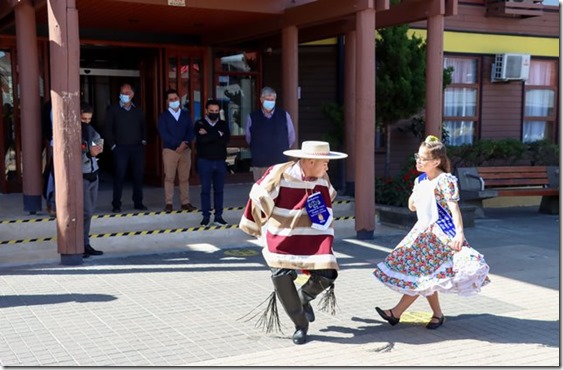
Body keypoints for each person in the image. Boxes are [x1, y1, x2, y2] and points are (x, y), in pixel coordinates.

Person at [373, 135, 491, 330]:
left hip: (441, 233)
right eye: (417, 157)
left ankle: (397, 313)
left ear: (436, 161)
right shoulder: (420, 180)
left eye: (423, 158)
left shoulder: (445, 180)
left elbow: (454, 208)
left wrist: (459, 234)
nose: (418, 161)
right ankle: (433, 314)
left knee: (423, 275)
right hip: (422, 232)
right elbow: (412, 207)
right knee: (426, 275)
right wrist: (416, 192)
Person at [239, 141, 348, 345]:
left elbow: (328, 198)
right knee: (280, 276)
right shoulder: (280, 173)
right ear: (309, 161)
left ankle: (303, 297)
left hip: (314, 235)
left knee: (328, 272)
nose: (327, 166)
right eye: (324, 162)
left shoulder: (322, 177)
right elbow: (259, 196)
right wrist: (255, 223)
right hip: (283, 234)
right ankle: (300, 324)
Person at [104, 83, 148, 213]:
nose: (125, 95)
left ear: (133, 95)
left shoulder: (138, 110)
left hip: (137, 148)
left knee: (138, 176)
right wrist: (113, 146)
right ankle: (116, 204)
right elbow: (107, 130)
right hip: (120, 148)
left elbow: (144, 127)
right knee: (119, 176)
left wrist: (144, 141)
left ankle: (138, 202)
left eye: (128, 93)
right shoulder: (113, 110)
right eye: (123, 93)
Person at [157, 88, 197, 213]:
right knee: (169, 177)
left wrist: (184, 143)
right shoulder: (163, 117)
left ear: (179, 99)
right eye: (171, 99)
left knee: (184, 178)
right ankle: (169, 203)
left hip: (185, 150)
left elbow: (191, 131)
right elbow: (164, 134)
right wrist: (177, 144)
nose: (174, 101)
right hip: (170, 151)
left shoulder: (186, 114)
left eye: (175, 98)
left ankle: (185, 202)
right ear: (167, 102)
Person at [245, 86, 296, 182]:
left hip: (280, 163)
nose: (270, 102)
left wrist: (279, 147)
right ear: (261, 99)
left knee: (280, 191)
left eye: (272, 99)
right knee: (261, 192)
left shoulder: (284, 115)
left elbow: (291, 137)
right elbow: (249, 138)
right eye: (267, 99)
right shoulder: (252, 117)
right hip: (260, 163)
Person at [194, 99, 230, 226]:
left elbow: (225, 140)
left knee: (219, 190)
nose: (214, 113)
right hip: (204, 162)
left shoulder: (224, 124)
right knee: (205, 190)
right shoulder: (199, 123)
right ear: (206, 111)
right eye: (211, 111)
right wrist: (217, 135)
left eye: (216, 111)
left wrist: (209, 134)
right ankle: (206, 217)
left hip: (220, 162)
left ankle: (218, 216)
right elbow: (202, 140)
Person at [80, 102, 104, 258]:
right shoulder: (74, 131)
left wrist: (98, 148)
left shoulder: (90, 130)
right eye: (84, 119)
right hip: (81, 176)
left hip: (93, 174)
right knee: (85, 212)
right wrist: (88, 154)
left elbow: (98, 141)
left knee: (89, 213)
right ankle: (80, 244)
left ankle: (85, 244)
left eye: (89, 119)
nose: (87, 122)